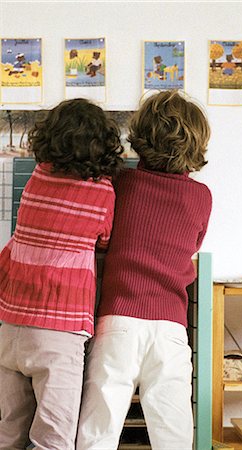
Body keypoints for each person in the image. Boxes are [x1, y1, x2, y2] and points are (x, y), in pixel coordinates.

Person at [77, 90, 212, 450]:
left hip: (118, 320)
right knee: (173, 431)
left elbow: (102, 239)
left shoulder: (119, 183)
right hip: (170, 327)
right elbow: (193, 245)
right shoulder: (202, 197)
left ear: (138, 137)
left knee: (99, 427)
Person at [0, 98, 123, 450]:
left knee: (9, 430)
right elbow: (105, 241)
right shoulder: (101, 192)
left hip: (10, 326)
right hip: (59, 331)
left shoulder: (36, 178)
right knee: (53, 438)